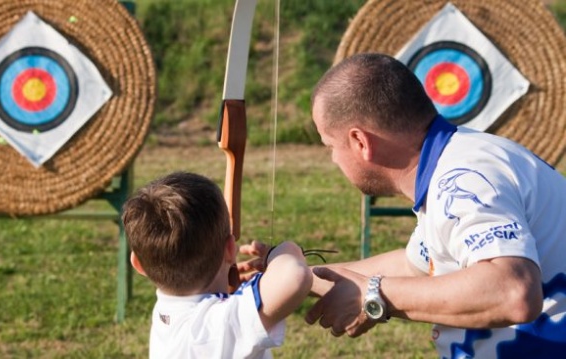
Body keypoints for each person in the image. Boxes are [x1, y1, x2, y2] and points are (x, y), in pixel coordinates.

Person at [304, 53, 566, 358]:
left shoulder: (462, 177)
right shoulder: (451, 162)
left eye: (330, 146)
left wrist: (374, 295)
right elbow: (414, 267)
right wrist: (294, 277)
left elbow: (513, 292)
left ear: (361, 142)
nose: (333, 158)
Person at [122, 171, 312, 358]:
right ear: (230, 249)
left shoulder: (167, 311)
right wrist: (280, 252)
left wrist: (234, 294)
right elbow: (294, 277)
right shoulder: (217, 325)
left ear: (138, 264)